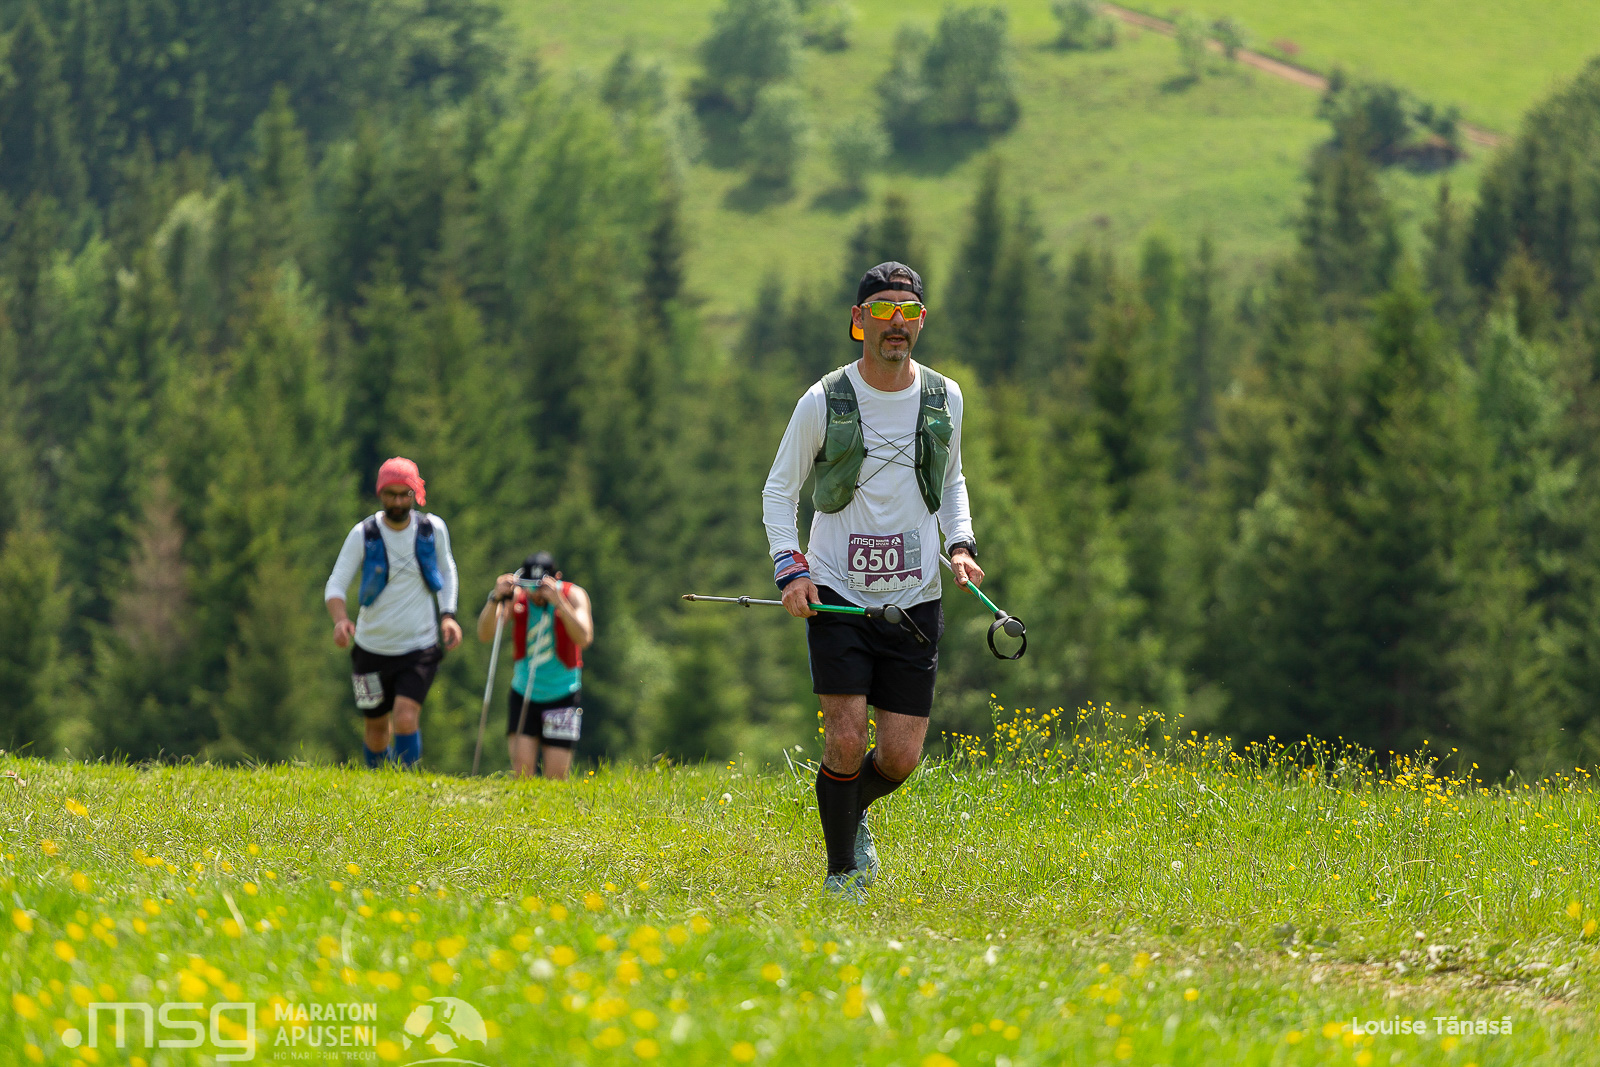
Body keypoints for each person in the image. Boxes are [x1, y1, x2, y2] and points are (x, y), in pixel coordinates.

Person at [762, 261, 985, 901]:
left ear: (921, 321)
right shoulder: (823, 399)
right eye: (882, 310)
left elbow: (952, 480)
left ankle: (848, 809)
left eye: (907, 312)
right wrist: (791, 569)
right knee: (844, 737)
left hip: (916, 597)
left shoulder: (945, 396)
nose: (896, 323)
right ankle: (842, 876)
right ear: (859, 320)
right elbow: (779, 491)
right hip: (837, 594)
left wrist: (960, 544)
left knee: (899, 758)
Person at [325, 457, 461, 769]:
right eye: (391, 494)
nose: (398, 502)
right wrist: (340, 620)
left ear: (415, 494)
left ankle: (407, 783)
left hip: (419, 648)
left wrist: (448, 615)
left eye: (404, 494)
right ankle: (380, 785)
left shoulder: (432, 529)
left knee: (405, 716)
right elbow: (336, 584)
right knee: (375, 730)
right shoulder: (363, 534)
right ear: (380, 494)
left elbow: (447, 571)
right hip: (370, 649)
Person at [477, 552, 594, 779]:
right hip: (524, 693)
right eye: (530, 586)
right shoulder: (518, 597)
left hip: (562, 694)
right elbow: (485, 634)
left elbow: (584, 638)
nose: (535, 593)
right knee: (522, 773)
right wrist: (495, 598)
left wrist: (559, 602)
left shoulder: (574, 595)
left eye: (540, 587)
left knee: (556, 777)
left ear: (556, 579)